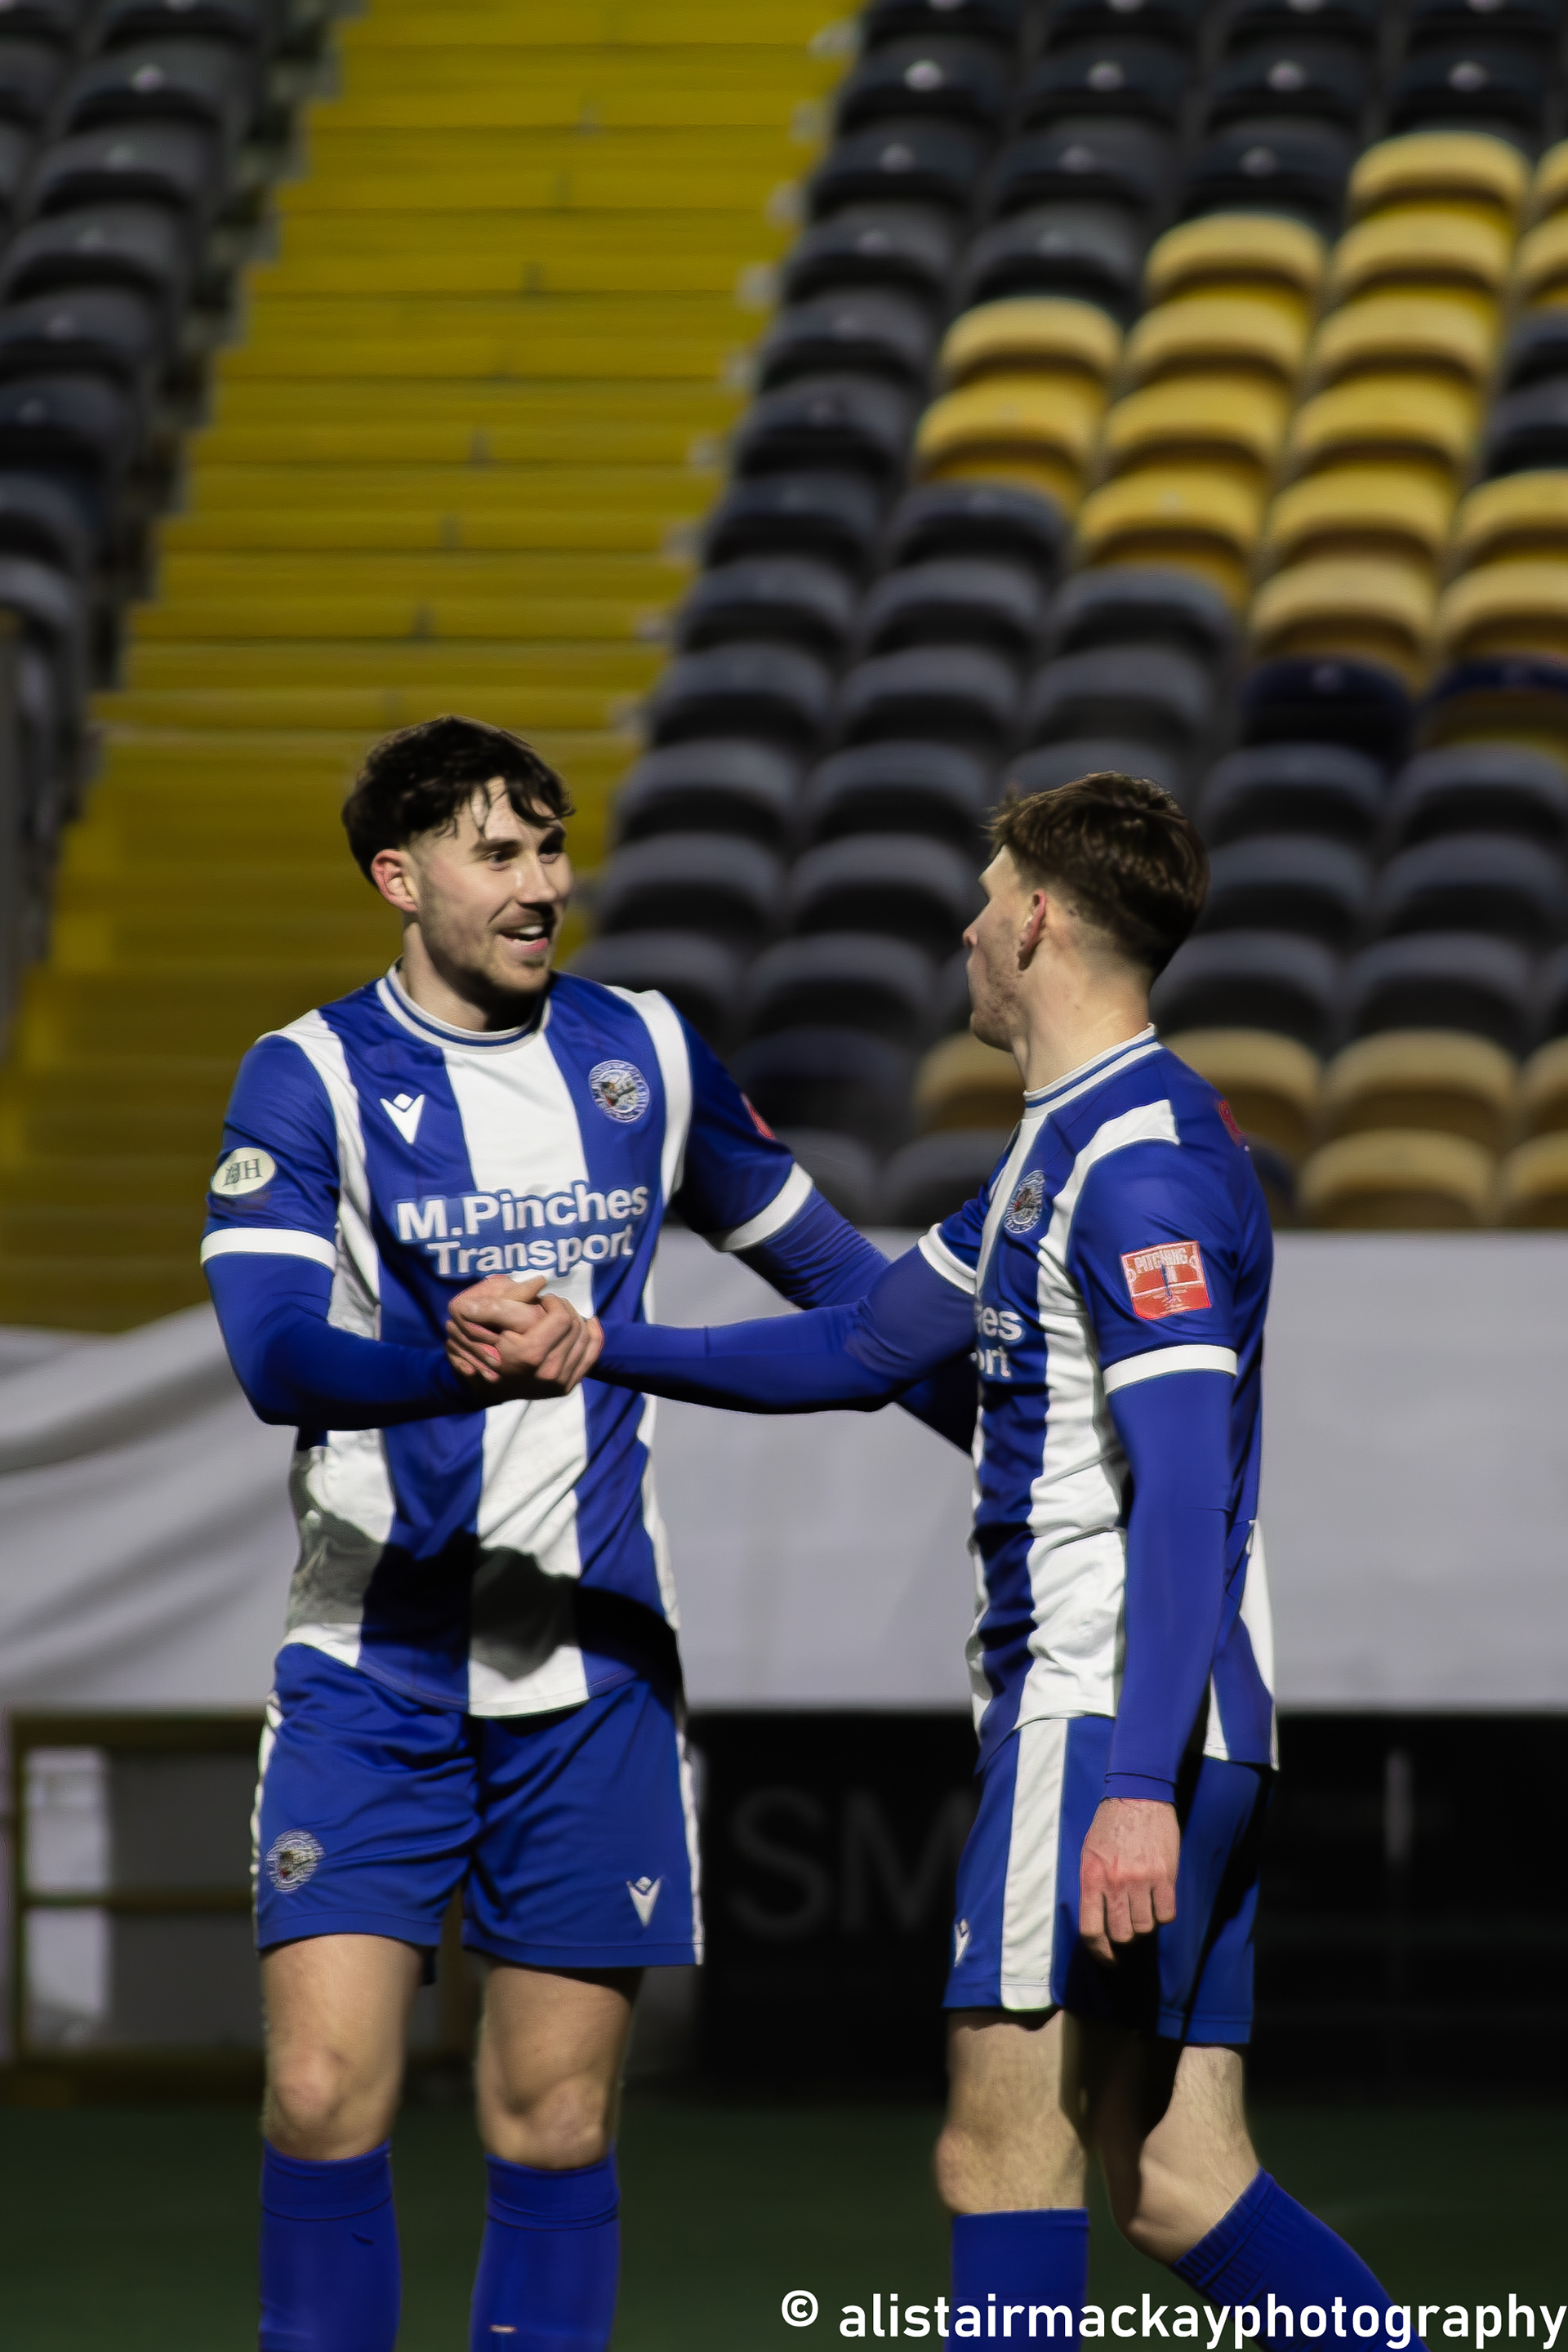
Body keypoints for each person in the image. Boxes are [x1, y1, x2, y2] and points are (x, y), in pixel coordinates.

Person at [449, 773, 1423, 2345]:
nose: (965, 930)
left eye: (984, 897)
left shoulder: (1140, 1168)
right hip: (1179, 1721)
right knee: (1178, 2178)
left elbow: (1182, 1494)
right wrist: (591, 1344)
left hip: (1104, 1718)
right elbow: (860, 1346)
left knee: (997, 2156)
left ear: (1036, 919)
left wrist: (1129, 1788)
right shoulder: (1072, 1145)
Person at [201, 713, 971, 2352]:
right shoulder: (309, 1074)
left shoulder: (649, 1055)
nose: (543, 885)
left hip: (596, 1677)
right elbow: (275, 1360)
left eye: (551, 848)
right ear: (399, 879)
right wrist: (451, 1366)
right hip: (372, 1673)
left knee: (553, 2124)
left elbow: (846, 1292)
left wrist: (1011, 1444)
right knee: (323, 2094)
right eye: (498, 853)